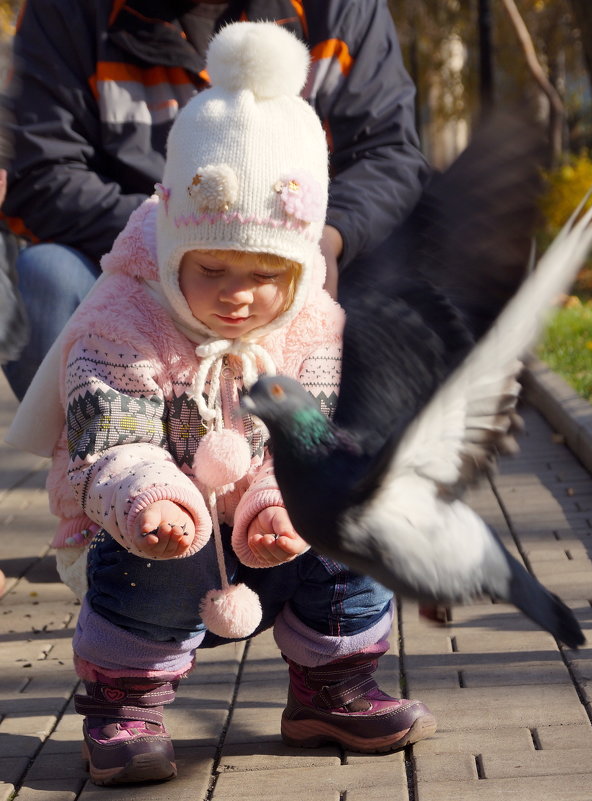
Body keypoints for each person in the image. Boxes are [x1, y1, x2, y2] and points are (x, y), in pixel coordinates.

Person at [39, 22, 435, 786]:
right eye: (211, 267)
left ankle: (333, 679)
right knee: (159, 540)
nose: (237, 294)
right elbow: (105, 429)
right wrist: (149, 493)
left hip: (274, 529)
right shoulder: (123, 314)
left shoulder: (313, 322)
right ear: (170, 249)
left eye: (264, 274)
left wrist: (282, 500)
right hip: (153, 533)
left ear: (299, 270)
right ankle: (126, 700)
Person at [1, 0, 428, 399]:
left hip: (298, 271)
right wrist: (175, 240)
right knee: (45, 277)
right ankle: (106, 458)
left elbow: (389, 153)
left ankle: (322, 462)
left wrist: (328, 238)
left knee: (407, 274)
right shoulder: (66, 10)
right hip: (127, 274)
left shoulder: (339, 9)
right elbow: (39, 170)